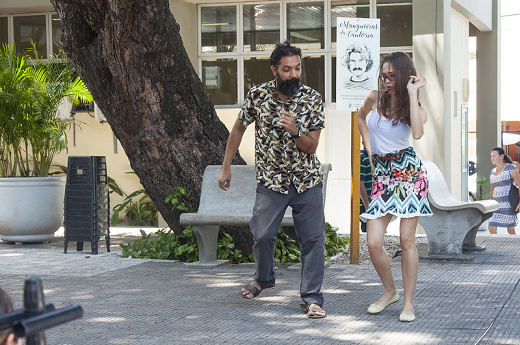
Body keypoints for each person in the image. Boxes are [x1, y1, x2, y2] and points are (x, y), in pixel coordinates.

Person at [217, 41, 327, 318]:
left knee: (313, 240)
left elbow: (311, 146)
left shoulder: (312, 99)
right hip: (271, 181)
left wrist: (294, 129)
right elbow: (238, 129)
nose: (294, 74)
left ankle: (312, 298)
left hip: (306, 180)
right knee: (263, 234)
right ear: (274, 70)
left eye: (297, 68)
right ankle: (264, 278)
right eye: (287, 69)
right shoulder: (258, 96)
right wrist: (226, 166)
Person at [357, 52, 433, 322]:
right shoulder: (374, 97)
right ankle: (390, 291)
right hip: (383, 175)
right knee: (374, 241)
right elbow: (360, 118)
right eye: (384, 76)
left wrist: (412, 93)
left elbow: (417, 133)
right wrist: (368, 144)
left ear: (403, 75)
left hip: (408, 175)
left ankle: (408, 302)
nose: (387, 81)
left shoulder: (416, 109)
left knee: (406, 239)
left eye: (393, 76)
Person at [488, 147, 520, 234]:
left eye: (494, 156)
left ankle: (514, 246)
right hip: (496, 205)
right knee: (491, 227)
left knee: (510, 230)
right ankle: (496, 246)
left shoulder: (511, 168)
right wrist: (490, 203)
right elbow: (492, 189)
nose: (492, 158)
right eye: (491, 156)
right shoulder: (492, 172)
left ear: (502, 156)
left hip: (508, 205)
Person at [360, 147, 372, 233]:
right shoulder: (362, 157)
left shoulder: (376, 157)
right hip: (366, 203)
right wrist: (367, 205)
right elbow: (359, 183)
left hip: (376, 202)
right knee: (369, 231)